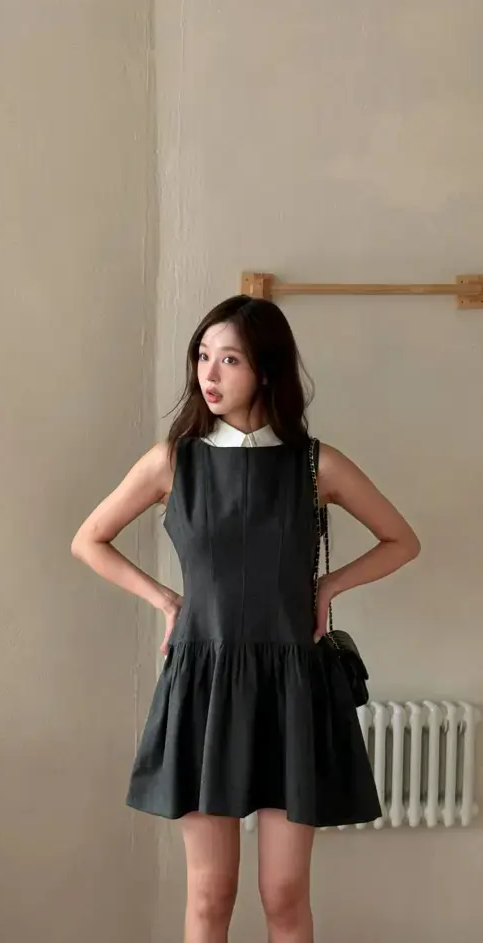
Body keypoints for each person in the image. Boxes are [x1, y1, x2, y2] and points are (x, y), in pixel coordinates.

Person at [71, 295, 420, 943]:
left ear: (266, 370)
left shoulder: (315, 464)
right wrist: (166, 600)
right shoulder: (175, 460)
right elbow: (88, 539)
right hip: (204, 684)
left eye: (229, 359)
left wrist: (328, 585)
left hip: (293, 687)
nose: (209, 373)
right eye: (203, 356)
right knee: (211, 894)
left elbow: (402, 540)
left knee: (284, 895)